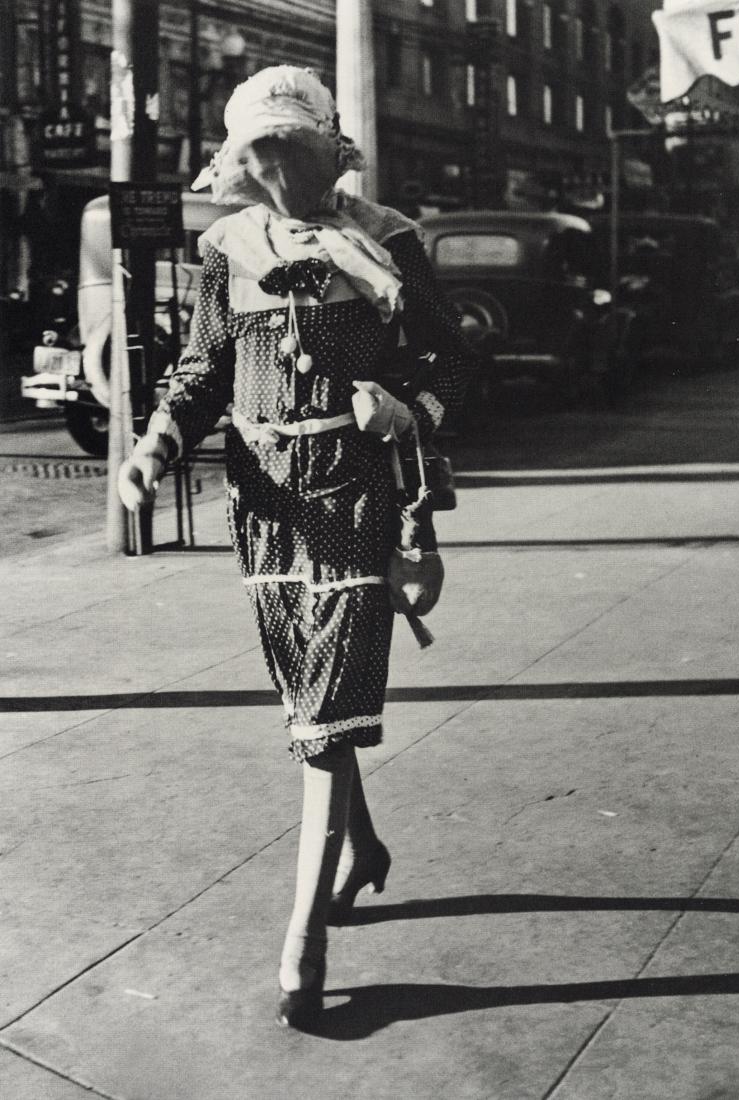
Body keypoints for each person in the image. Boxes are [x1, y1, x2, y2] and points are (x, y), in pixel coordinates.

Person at [118, 65, 472, 1030]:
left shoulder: (388, 237)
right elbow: (202, 369)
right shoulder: (226, 245)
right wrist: (155, 446)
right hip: (264, 501)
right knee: (310, 704)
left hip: (357, 496)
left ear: (329, 147)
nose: (275, 172)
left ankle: (303, 945)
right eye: (257, 155)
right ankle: (364, 852)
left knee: (326, 712)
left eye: (290, 150)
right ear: (239, 161)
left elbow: (448, 363)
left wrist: (409, 407)